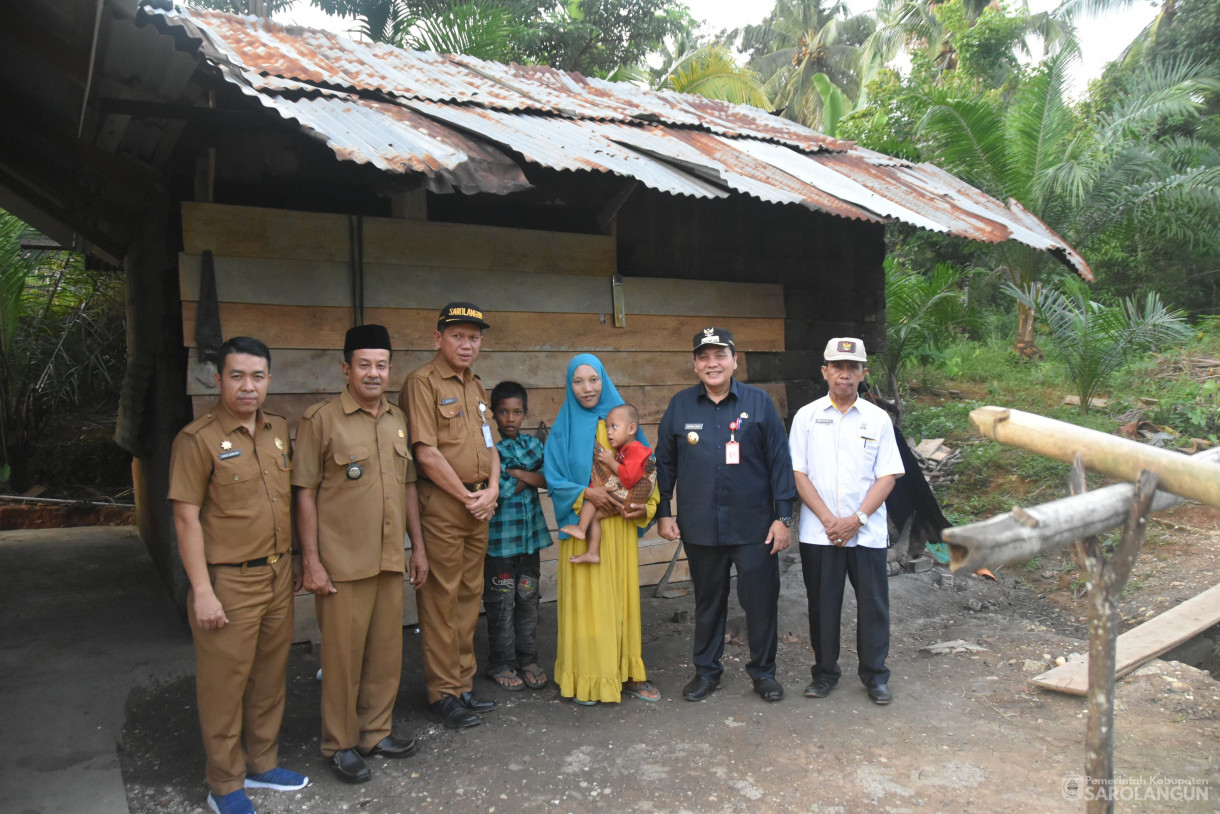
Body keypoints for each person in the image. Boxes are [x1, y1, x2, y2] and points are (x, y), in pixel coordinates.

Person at [168, 336, 309, 814]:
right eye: (237, 376)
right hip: (228, 582)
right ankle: (224, 783)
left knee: (270, 677)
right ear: (218, 378)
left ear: (268, 379)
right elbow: (186, 519)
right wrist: (202, 591)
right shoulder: (197, 439)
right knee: (224, 685)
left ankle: (261, 762)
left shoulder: (276, 430)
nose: (248, 386)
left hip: (277, 574)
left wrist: (292, 561)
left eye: (257, 376)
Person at [293, 324, 427, 785]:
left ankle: (375, 732)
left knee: (387, 655)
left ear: (390, 369)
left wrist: (418, 547)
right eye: (364, 365)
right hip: (341, 564)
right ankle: (339, 743)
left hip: (389, 558)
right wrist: (310, 560)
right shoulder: (321, 420)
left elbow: (408, 485)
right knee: (343, 659)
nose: (374, 373)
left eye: (382, 365)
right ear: (346, 368)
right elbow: (305, 493)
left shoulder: (397, 419)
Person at [656, 327, 797, 705]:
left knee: (761, 602)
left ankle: (764, 674)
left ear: (734, 360)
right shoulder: (680, 406)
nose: (712, 363)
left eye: (720, 356)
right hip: (701, 527)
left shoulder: (760, 403)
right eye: (704, 357)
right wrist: (664, 512)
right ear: (695, 365)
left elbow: (780, 463)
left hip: (754, 528)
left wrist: (784, 518)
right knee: (708, 602)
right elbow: (665, 464)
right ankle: (707, 672)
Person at [788, 337, 905, 706]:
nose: (844, 374)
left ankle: (875, 676)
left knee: (873, 604)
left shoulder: (878, 418)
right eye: (837, 367)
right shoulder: (807, 417)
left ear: (863, 373)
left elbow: (887, 476)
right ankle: (824, 674)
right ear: (824, 372)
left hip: (866, 532)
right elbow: (798, 473)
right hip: (819, 532)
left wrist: (856, 519)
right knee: (823, 605)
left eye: (852, 367)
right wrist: (829, 520)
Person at [402, 302, 500, 729]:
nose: (466, 344)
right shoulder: (421, 383)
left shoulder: (477, 386)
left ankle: (463, 684)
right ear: (437, 338)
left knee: (468, 597)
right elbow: (425, 454)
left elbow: (491, 446)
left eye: (473, 337)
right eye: (457, 336)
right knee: (441, 600)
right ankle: (442, 692)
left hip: (479, 506)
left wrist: (492, 490)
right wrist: (466, 497)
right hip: (446, 507)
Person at [543, 354, 661, 705]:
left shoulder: (623, 423)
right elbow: (553, 479)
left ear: (604, 380)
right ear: (569, 385)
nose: (587, 388)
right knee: (589, 607)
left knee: (620, 602)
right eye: (578, 381)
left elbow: (648, 475)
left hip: (619, 531)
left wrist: (645, 508)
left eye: (593, 379)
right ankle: (588, 679)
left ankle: (625, 673)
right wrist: (585, 493)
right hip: (582, 526)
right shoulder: (562, 429)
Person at [483, 380, 551, 692]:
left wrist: (517, 474)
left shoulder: (534, 446)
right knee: (500, 602)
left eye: (517, 412)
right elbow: (496, 490)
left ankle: (528, 659)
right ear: (494, 415)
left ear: (525, 414)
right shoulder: (488, 451)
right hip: (499, 543)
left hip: (529, 540)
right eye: (503, 412)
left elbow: (550, 479)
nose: (510, 418)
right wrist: (528, 478)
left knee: (528, 599)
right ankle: (502, 662)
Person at [560, 403, 656, 565]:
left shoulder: (635, 449)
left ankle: (581, 529)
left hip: (633, 495)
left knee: (593, 496)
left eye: (614, 427)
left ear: (632, 429)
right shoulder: (626, 449)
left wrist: (611, 462)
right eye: (607, 427)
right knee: (595, 518)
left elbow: (628, 477)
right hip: (630, 498)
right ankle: (593, 553)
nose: (609, 432)